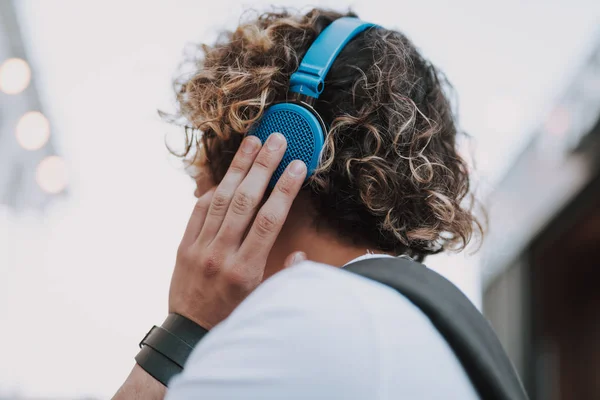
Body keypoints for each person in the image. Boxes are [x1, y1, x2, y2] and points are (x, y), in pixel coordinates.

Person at [113, 7, 483, 400]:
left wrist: (185, 329)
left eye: (210, 151)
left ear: (281, 148)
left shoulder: (307, 319)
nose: (198, 190)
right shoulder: (413, 323)